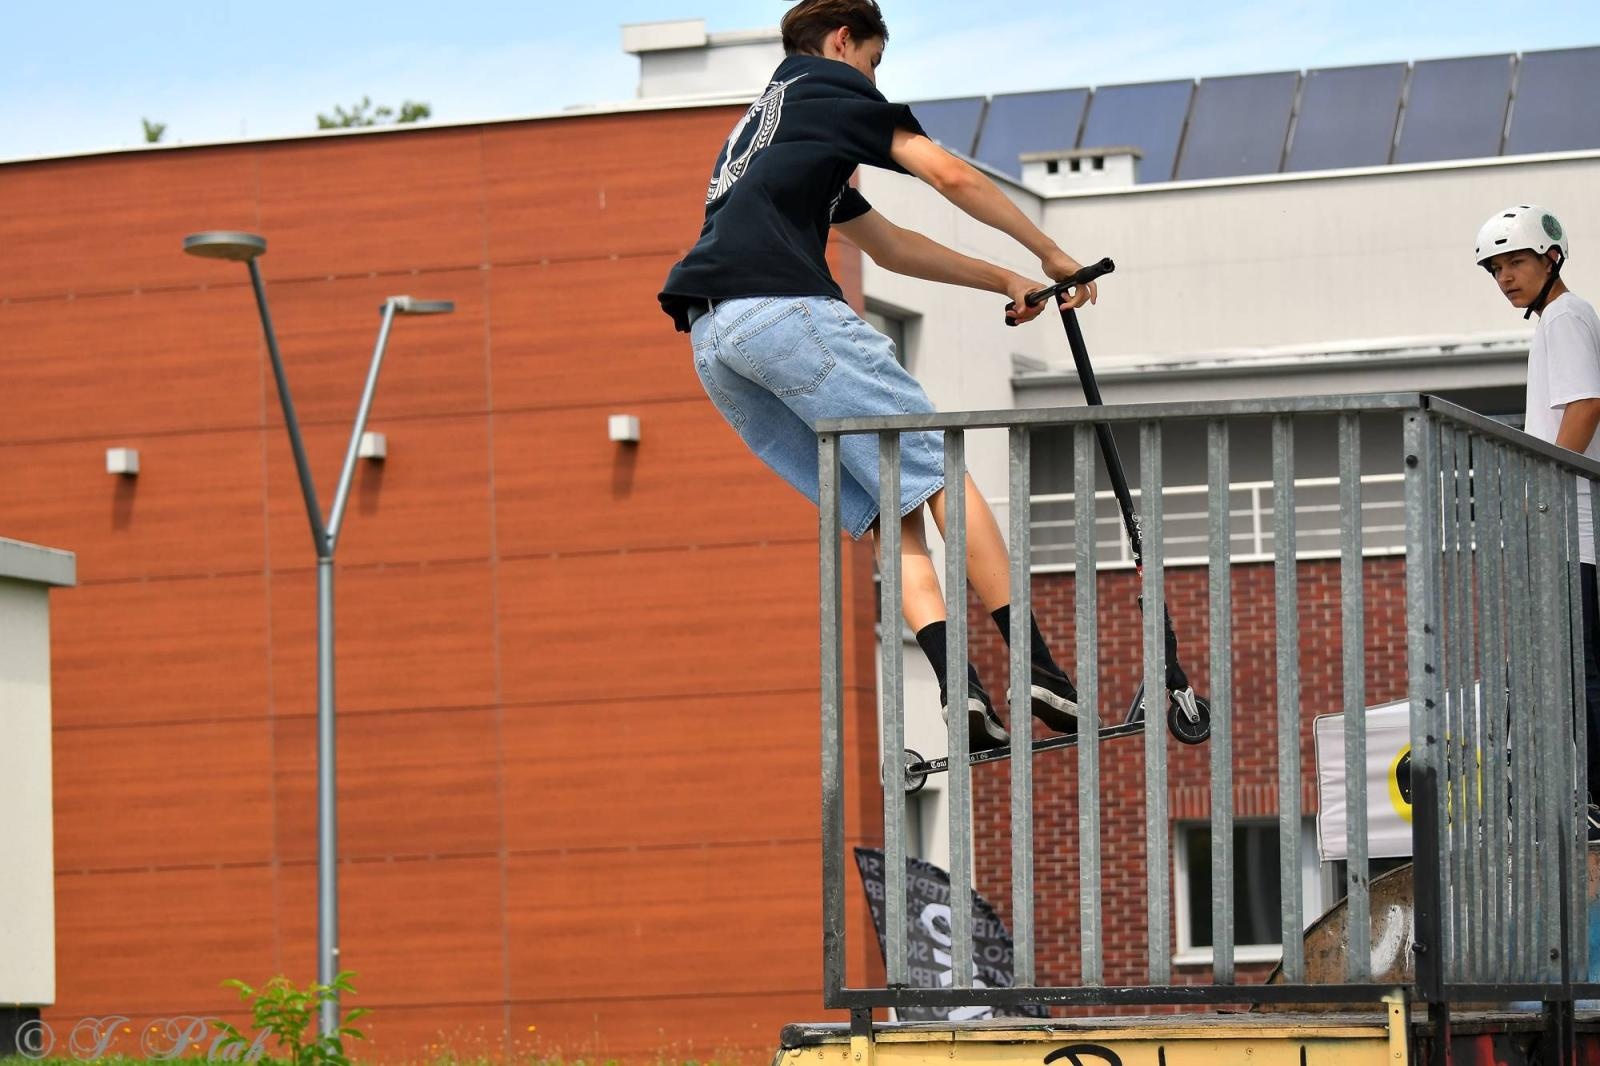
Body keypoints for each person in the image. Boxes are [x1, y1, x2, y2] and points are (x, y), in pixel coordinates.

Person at [659, 0, 1095, 751]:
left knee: (891, 510)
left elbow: (889, 246)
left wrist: (1006, 279)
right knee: (941, 472)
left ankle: (961, 695)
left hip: (715, 344)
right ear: (842, 41)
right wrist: (1052, 252)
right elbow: (949, 175)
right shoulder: (831, 90)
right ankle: (1040, 668)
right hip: (782, 314)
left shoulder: (763, 128)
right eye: (874, 62)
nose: (874, 80)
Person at [1475, 204, 1600, 833]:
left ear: (1552, 257)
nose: (1505, 277)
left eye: (1515, 261)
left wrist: (1545, 489)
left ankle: (1596, 798)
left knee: (1579, 670)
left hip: (1573, 525)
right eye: (1496, 269)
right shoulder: (1557, 320)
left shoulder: (1566, 317)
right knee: (1568, 667)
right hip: (1567, 523)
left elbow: (1583, 407)